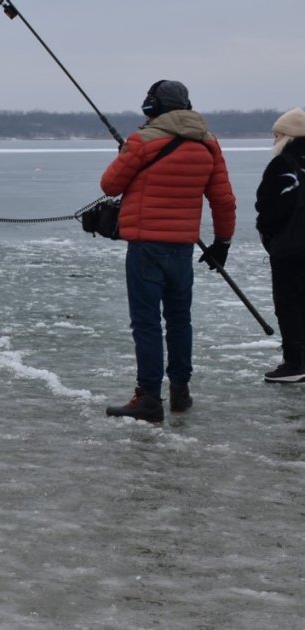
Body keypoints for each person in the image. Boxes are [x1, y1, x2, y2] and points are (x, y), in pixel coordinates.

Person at [100, 80, 237, 422]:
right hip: (182, 248)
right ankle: (180, 392)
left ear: (153, 107)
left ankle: (148, 397)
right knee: (179, 319)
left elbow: (110, 185)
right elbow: (223, 199)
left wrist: (126, 154)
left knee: (146, 323)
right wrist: (222, 243)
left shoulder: (142, 141)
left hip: (145, 246)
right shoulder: (209, 144)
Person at [255, 107, 305, 383]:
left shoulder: (283, 165)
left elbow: (268, 207)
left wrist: (269, 235)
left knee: (289, 303)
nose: (273, 140)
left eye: (277, 135)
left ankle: (294, 363)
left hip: (291, 248)